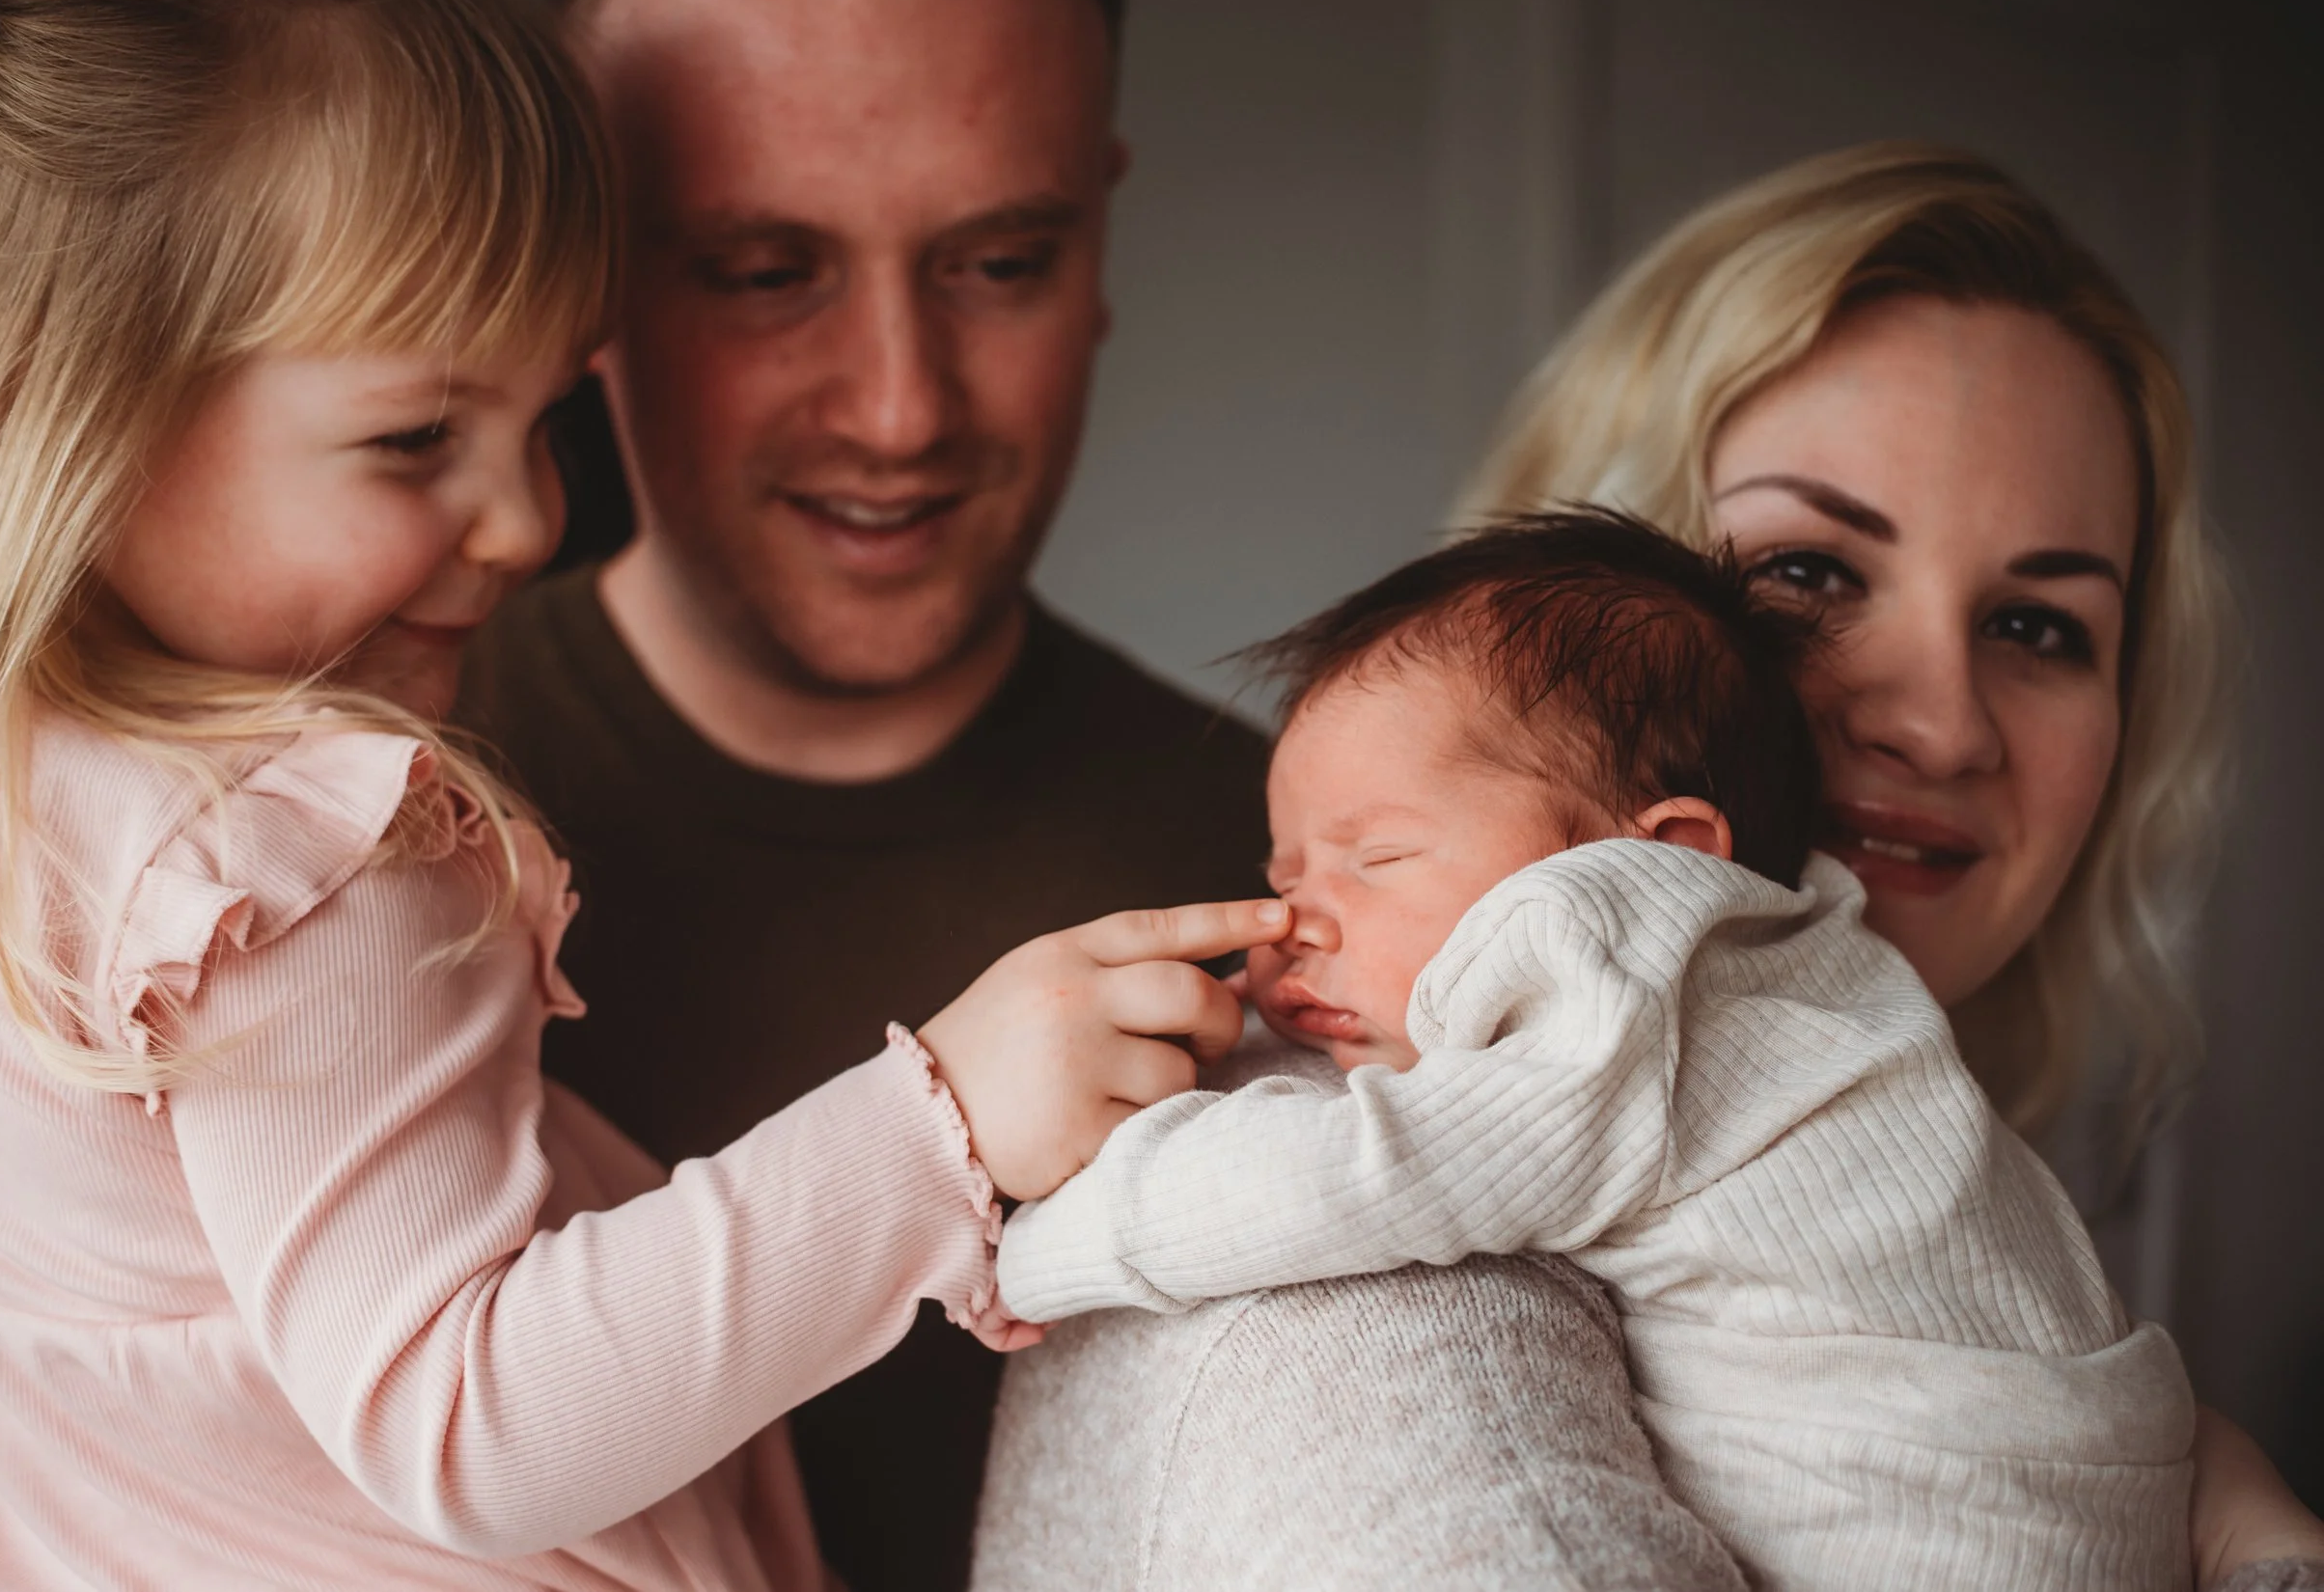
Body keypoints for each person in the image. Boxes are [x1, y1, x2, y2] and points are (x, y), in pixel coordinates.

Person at [0, 0, 1283, 1584]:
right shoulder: (325, 844)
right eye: (418, 433)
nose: (528, 521)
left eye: (999, 261)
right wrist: (942, 1132)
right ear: (85, 406)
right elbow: (468, 1416)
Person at [976, 144, 2324, 1590]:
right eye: (1807, 574)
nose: (1938, 721)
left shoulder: (1933, 1174)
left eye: (2042, 626)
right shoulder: (1364, 1263)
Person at [456, 0, 1272, 1581]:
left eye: (998, 265)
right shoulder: (256, 842)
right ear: (583, 275)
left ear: (1101, 236)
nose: (899, 406)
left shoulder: (1320, 875)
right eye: (766, 273)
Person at [994, 513, 2198, 1590]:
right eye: (1284, 873)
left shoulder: (1629, 957)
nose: (1293, 923)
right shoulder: (1805, 964)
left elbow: (1369, 1175)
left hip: (1949, 1527)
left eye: (1378, 859)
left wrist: (1042, 1238)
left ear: (1664, 854)